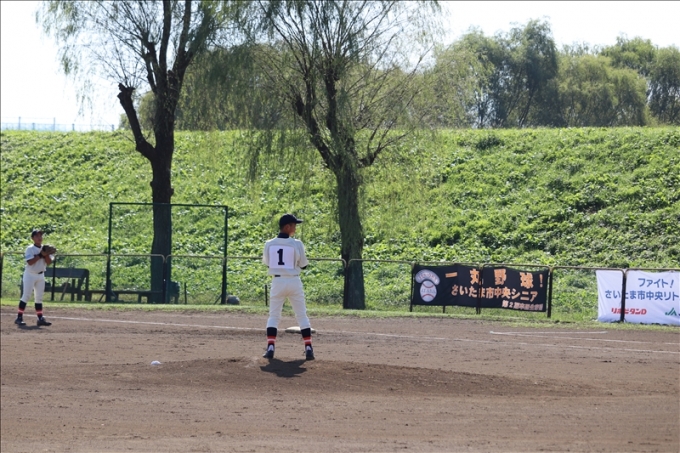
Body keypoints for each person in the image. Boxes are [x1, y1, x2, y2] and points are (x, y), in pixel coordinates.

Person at [262, 213, 314, 360]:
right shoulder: (297, 244)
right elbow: (303, 265)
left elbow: (267, 263)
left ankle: (270, 347)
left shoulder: (269, 244)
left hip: (278, 282)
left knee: (274, 316)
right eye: (294, 225)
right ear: (287, 227)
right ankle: (308, 348)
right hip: (294, 281)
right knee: (301, 315)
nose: (295, 228)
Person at [15, 229, 54, 327]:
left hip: (41, 275)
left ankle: (40, 319)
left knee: (39, 298)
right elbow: (30, 262)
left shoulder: (45, 248)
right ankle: (19, 318)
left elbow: (49, 262)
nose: (39, 237)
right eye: (36, 236)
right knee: (26, 296)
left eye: (40, 235)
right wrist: (41, 255)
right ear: (32, 238)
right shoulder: (30, 249)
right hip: (30, 275)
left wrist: (46, 254)